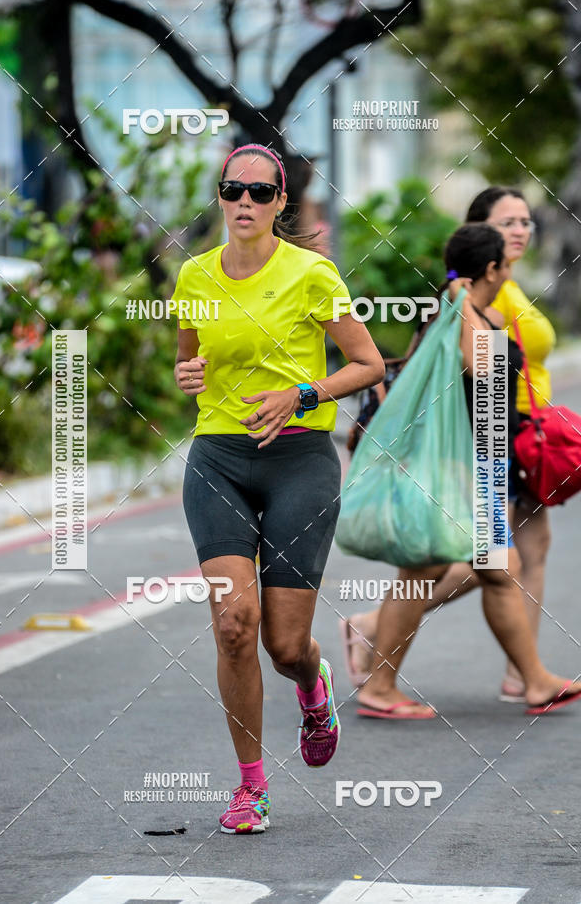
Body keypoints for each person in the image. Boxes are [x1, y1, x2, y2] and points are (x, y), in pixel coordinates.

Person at [172, 143, 385, 832]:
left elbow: (368, 364)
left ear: (280, 202)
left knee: (285, 646)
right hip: (219, 458)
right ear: (221, 195)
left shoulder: (313, 274)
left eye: (260, 192)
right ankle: (251, 787)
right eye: (233, 189)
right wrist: (187, 377)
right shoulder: (194, 276)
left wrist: (303, 392)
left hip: (299, 459)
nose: (245, 202)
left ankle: (313, 685)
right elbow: (189, 361)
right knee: (234, 624)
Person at [345, 224, 581, 719]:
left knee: (497, 571)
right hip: (456, 471)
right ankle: (380, 685)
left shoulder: (468, 312)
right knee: (431, 570)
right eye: (505, 265)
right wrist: (464, 302)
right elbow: (484, 368)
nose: (508, 273)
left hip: (481, 468)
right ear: (491, 269)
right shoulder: (455, 315)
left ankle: (534, 680)